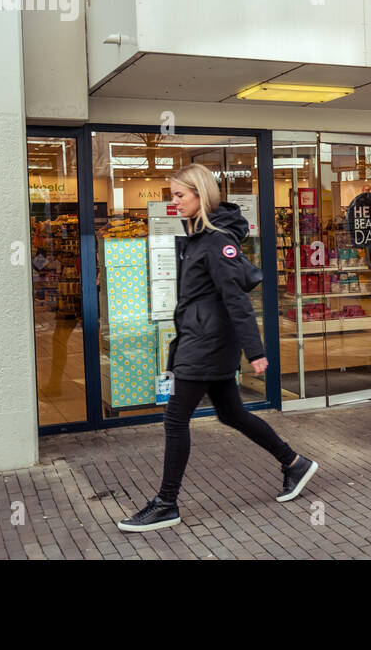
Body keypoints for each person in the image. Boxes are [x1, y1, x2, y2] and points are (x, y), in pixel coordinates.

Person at [118, 163, 318, 533]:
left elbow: (236, 299)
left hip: (207, 346)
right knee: (232, 414)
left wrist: (255, 352)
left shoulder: (215, 242)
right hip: (201, 340)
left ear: (201, 195)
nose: (173, 202)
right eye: (172, 195)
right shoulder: (198, 237)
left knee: (175, 419)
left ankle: (166, 503)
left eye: (180, 195)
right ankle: (294, 463)